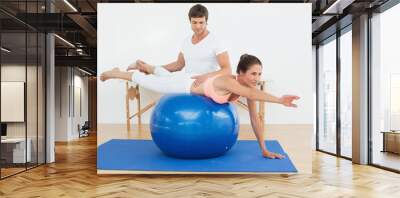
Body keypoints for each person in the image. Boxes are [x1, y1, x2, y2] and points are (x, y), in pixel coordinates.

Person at [100, 54, 300, 159]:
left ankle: (145, 65)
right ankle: (115, 72)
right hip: (185, 86)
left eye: (259, 74)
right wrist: (280, 100)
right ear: (240, 73)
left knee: (164, 74)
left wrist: (264, 149)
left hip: (190, 79)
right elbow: (253, 93)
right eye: (253, 74)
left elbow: (255, 119)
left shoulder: (246, 87)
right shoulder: (230, 82)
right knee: (151, 82)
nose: (257, 79)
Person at [129, 4, 232, 87]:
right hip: (188, 83)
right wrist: (156, 69)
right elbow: (178, 65)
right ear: (190, 22)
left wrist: (206, 77)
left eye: (201, 22)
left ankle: (147, 67)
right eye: (194, 22)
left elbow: (227, 70)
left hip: (206, 84)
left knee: (167, 81)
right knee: (165, 78)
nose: (198, 26)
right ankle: (148, 68)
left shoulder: (215, 41)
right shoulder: (186, 41)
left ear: (206, 21)